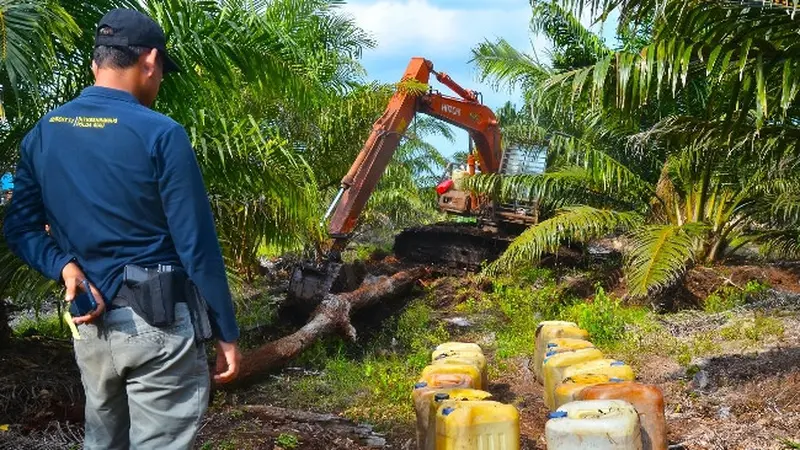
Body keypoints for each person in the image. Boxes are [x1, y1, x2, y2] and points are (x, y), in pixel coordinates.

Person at [2, 8, 241, 450]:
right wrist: (226, 332)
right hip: (159, 327)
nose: (160, 80)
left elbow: (19, 227)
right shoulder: (161, 133)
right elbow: (197, 246)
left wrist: (65, 268)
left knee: (103, 443)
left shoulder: (42, 133)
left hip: (90, 326)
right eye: (163, 70)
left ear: (97, 62)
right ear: (150, 61)